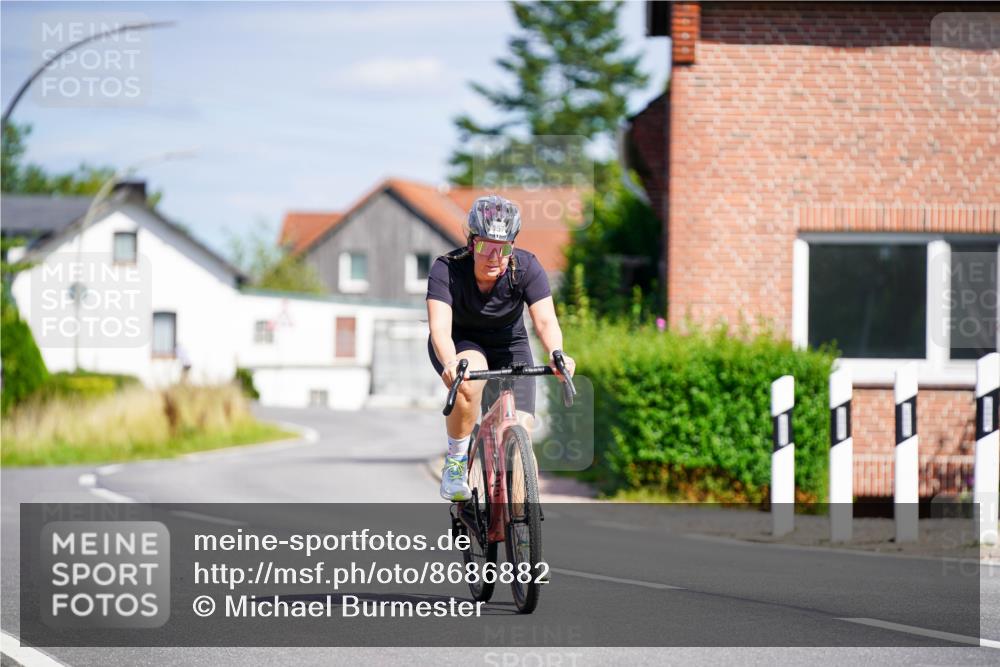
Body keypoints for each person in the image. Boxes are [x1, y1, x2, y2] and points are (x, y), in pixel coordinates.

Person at [426, 194, 576, 501]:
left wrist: (557, 354)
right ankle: (456, 461)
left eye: (504, 248)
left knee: (521, 431)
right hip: (461, 343)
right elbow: (440, 327)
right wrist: (451, 362)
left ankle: (523, 532)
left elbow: (546, 321)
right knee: (470, 380)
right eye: (485, 247)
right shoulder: (447, 269)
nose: (494, 256)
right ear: (471, 243)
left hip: (510, 345)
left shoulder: (527, 268)